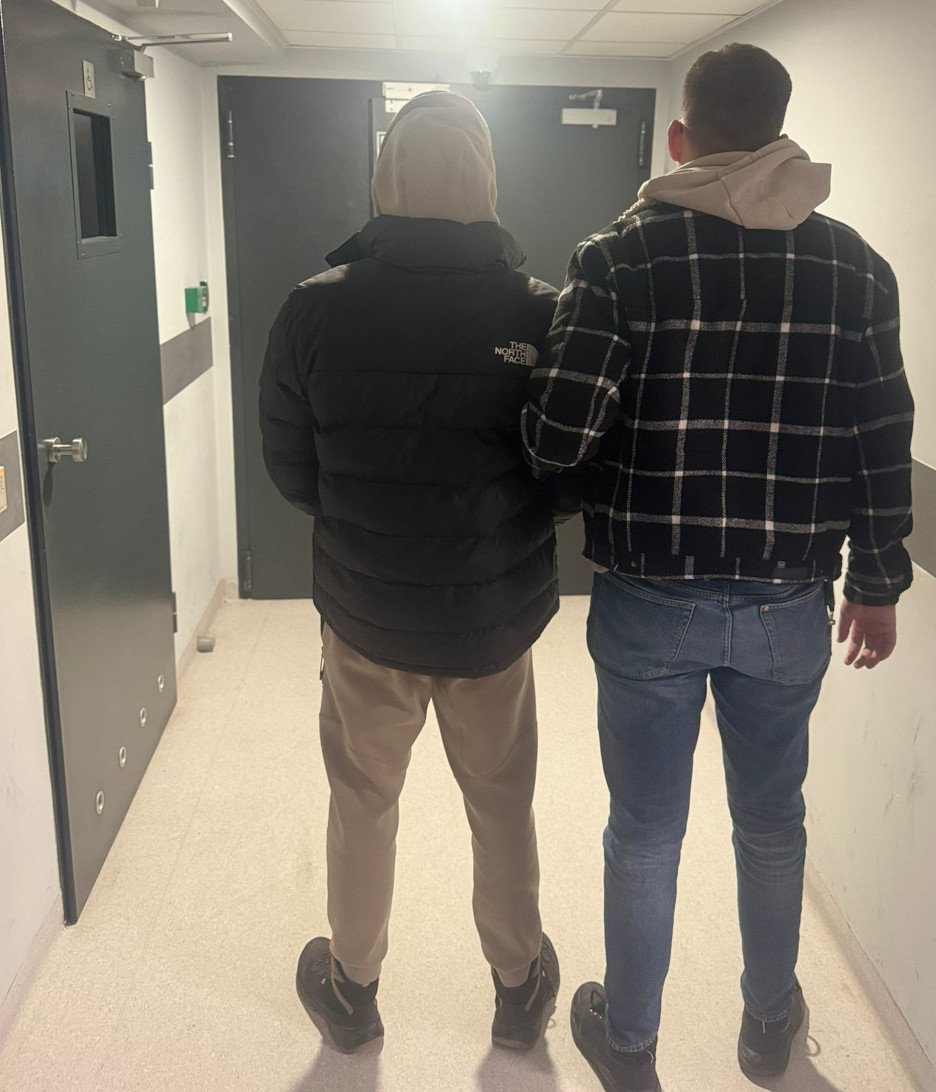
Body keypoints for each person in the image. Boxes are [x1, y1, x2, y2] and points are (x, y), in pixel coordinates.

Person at [522, 43, 914, 1092]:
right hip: (789, 603)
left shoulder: (618, 259)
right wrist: (877, 582)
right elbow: (882, 435)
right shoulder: (857, 270)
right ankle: (767, 1026)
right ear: (781, 132)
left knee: (646, 832)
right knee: (772, 824)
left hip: (649, 598)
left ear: (680, 138)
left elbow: (558, 438)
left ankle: (630, 1044)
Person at [259, 91, 562, 1057]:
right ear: (486, 180)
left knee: (363, 803)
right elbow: (564, 474)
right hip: (491, 622)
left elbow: (291, 470)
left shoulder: (314, 306)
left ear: (383, 179)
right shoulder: (540, 310)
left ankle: (352, 989)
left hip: (367, 617)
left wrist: (366, 526)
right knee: (501, 804)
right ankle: (518, 987)